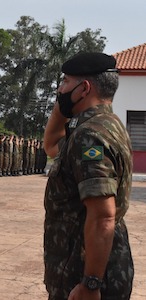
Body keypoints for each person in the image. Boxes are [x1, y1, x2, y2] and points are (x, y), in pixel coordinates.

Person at [43, 52, 134, 300]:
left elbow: (103, 215)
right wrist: (63, 104)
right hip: (91, 268)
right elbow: (51, 145)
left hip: (83, 275)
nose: (59, 90)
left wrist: (90, 283)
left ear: (84, 89)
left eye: (64, 82)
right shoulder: (108, 125)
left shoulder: (90, 137)